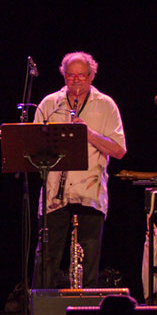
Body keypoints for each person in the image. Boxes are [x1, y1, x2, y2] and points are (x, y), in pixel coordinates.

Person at [31, 51, 127, 288]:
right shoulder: (49, 104)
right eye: (70, 76)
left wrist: (88, 134)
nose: (75, 81)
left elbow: (119, 150)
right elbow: (32, 149)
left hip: (90, 193)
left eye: (81, 76)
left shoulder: (106, 105)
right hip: (56, 193)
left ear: (92, 76)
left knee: (89, 264)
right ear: (63, 75)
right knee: (46, 262)